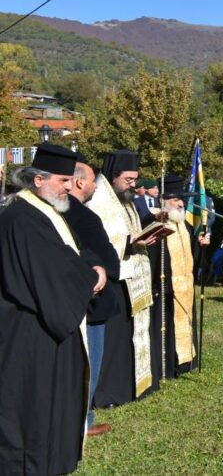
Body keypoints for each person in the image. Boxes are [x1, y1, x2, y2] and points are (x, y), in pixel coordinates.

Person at [0, 143, 102, 475]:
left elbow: (72, 254)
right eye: (62, 180)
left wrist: (88, 268)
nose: (69, 188)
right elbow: (54, 273)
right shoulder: (23, 218)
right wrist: (91, 277)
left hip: (42, 330)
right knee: (32, 415)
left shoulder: (43, 210)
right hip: (29, 337)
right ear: (38, 179)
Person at [88, 150, 157, 407]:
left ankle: (128, 387)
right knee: (112, 341)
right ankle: (107, 393)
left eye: (134, 179)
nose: (133, 184)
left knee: (128, 337)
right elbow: (99, 240)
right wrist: (131, 243)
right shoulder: (98, 199)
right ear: (113, 176)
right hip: (113, 280)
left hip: (132, 277)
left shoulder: (125, 199)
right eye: (128, 179)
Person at [64, 159, 120, 438]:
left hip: (72, 299)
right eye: (91, 180)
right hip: (92, 299)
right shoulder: (82, 216)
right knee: (90, 365)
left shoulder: (57, 211)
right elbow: (105, 256)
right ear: (79, 182)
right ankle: (83, 422)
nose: (96, 185)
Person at [150, 175, 207, 383]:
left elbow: (193, 258)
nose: (181, 203)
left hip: (185, 288)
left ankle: (185, 363)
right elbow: (154, 258)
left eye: (181, 200)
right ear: (164, 201)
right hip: (166, 288)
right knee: (167, 328)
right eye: (176, 200)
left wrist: (200, 246)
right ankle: (169, 366)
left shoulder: (185, 226)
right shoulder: (157, 223)